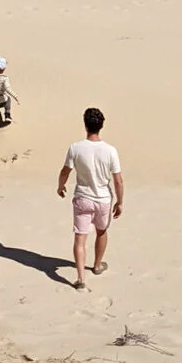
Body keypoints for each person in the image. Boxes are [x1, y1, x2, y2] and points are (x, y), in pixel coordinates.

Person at [57, 107, 123, 291]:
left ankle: (80, 278)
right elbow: (118, 180)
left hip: (82, 198)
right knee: (101, 231)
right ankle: (97, 265)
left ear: (85, 125)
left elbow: (65, 171)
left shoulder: (75, 148)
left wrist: (60, 186)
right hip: (103, 199)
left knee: (80, 237)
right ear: (101, 126)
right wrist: (120, 201)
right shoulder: (110, 150)